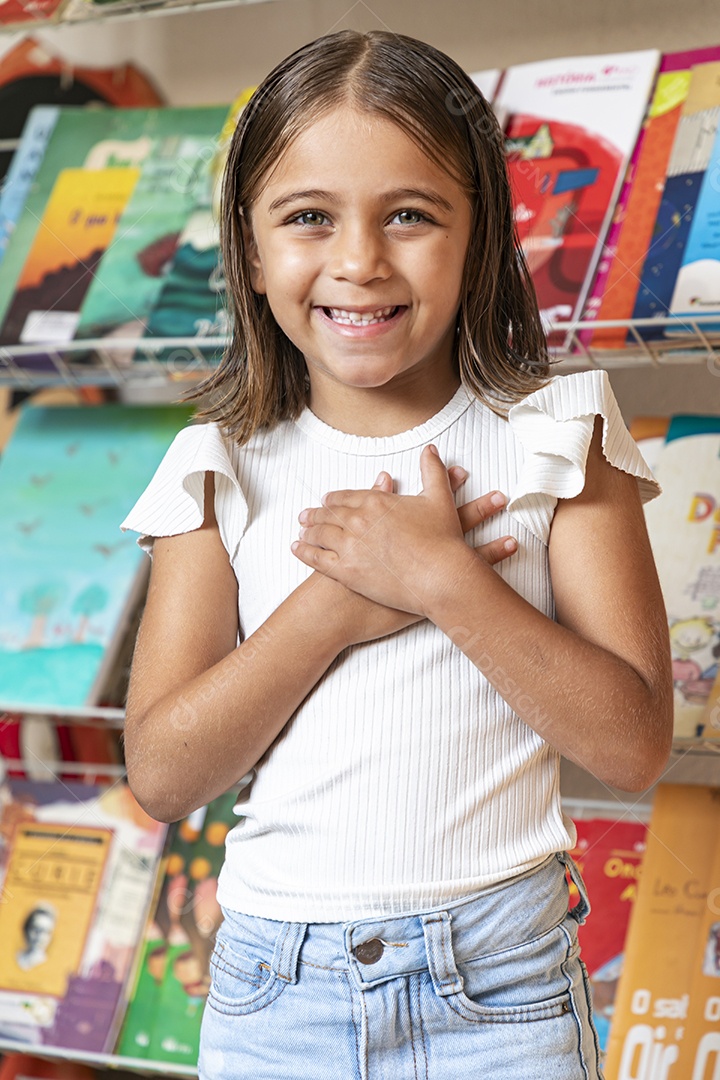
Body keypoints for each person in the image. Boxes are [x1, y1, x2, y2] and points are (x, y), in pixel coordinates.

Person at [120, 30, 673, 1080]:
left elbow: (633, 744)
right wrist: (335, 604)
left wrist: (444, 582)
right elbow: (162, 771)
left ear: (481, 237)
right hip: (276, 992)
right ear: (245, 244)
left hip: (502, 984)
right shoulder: (218, 464)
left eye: (411, 215)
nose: (359, 261)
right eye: (308, 218)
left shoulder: (560, 431)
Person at [16, 904, 56, 970]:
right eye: (35, 929)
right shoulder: (17, 957)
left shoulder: (47, 962)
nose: (39, 937)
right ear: (26, 929)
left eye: (45, 931)